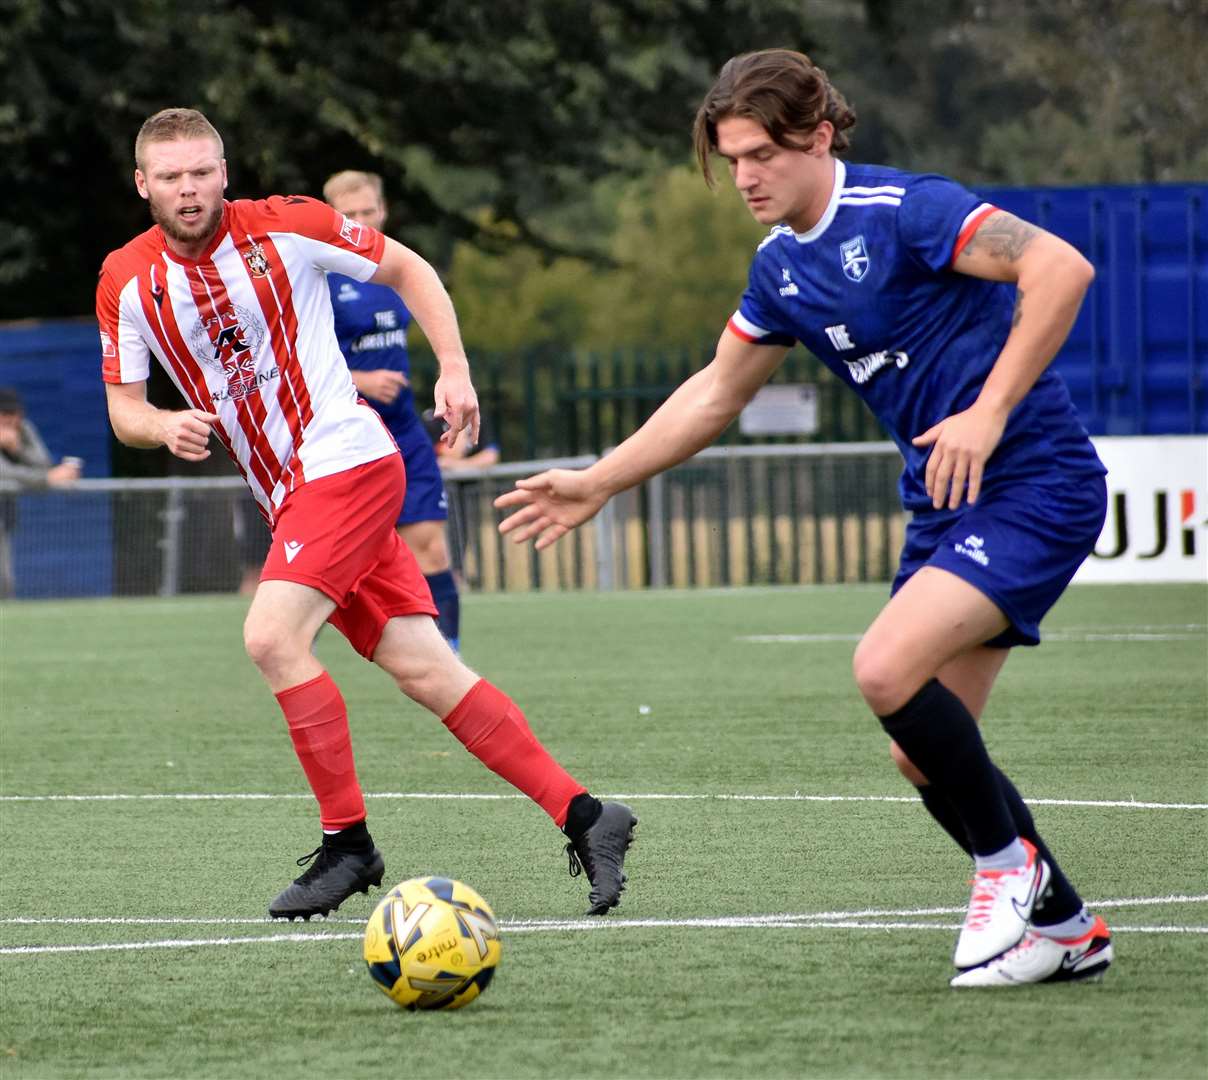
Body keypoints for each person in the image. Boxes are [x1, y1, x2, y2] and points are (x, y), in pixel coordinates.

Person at [497, 49, 1113, 987]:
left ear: (819, 137)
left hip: (1035, 482)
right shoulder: (780, 267)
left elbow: (1061, 269)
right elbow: (715, 392)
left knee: (883, 668)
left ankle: (1007, 871)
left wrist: (987, 414)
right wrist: (600, 480)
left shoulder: (907, 211)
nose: (744, 177)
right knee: (923, 757)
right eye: (731, 158)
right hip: (944, 503)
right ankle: (1065, 927)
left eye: (761, 154)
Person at [97, 107, 636, 921]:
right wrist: (162, 425)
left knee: (271, 637)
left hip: (345, 459)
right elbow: (122, 408)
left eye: (202, 170)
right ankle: (587, 815)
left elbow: (410, 269)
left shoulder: (289, 227)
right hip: (293, 496)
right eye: (170, 176)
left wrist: (453, 369)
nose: (189, 188)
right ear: (144, 186)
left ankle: (349, 845)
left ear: (223, 171)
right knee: (427, 669)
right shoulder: (125, 281)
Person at [322, 171, 463, 650]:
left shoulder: (395, 269)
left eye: (368, 213)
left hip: (404, 433)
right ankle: (296, 650)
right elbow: (290, 357)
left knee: (432, 548)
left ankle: (451, 660)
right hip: (343, 440)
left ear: (382, 211)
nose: (360, 224)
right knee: (327, 563)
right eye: (349, 216)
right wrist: (359, 380)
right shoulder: (317, 279)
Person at [0, 387, 82, 598]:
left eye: (14, 414)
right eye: (4, 415)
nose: (10, 420)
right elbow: (5, 473)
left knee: (4, 579)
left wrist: (17, 448)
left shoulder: (23, 430)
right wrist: (47, 480)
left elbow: (43, 463)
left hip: (5, 513)